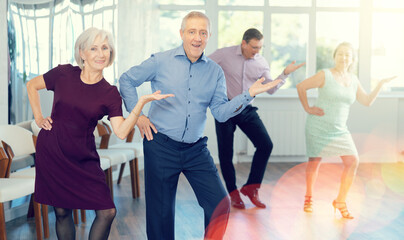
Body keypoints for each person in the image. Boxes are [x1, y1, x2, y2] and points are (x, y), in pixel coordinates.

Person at [119, 11, 282, 240]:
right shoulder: (160, 61)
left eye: (202, 33)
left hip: (196, 150)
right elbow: (126, 80)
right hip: (161, 146)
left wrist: (249, 94)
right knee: (160, 215)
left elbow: (220, 112)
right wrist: (138, 116)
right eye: (192, 31)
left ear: (209, 36)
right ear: (182, 33)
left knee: (220, 205)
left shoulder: (215, 71)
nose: (197, 38)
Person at [27, 27, 173, 240]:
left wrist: (140, 103)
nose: (101, 53)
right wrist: (39, 117)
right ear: (82, 53)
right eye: (93, 48)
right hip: (53, 151)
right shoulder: (64, 74)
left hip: (84, 157)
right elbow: (32, 85)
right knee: (61, 212)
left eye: (105, 48)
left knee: (107, 212)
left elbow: (121, 131)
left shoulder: (110, 92)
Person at [296, 42, 396, 219]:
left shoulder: (353, 80)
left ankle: (340, 201)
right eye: (340, 54)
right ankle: (308, 198)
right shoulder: (324, 75)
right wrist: (308, 108)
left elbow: (366, 101)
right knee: (315, 161)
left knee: (353, 161)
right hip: (318, 126)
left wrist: (380, 84)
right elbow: (301, 87)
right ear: (335, 56)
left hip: (340, 130)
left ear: (352, 59)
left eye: (347, 55)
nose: (343, 58)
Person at [209, 28, 305, 209]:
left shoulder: (261, 62)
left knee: (265, 145)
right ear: (243, 43)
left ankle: (251, 189)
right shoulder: (224, 54)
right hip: (226, 107)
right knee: (225, 153)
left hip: (246, 109)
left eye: (260, 47)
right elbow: (204, 66)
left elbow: (270, 89)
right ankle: (233, 192)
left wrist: (284, 74)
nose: (257, 51)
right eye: (254, 47)